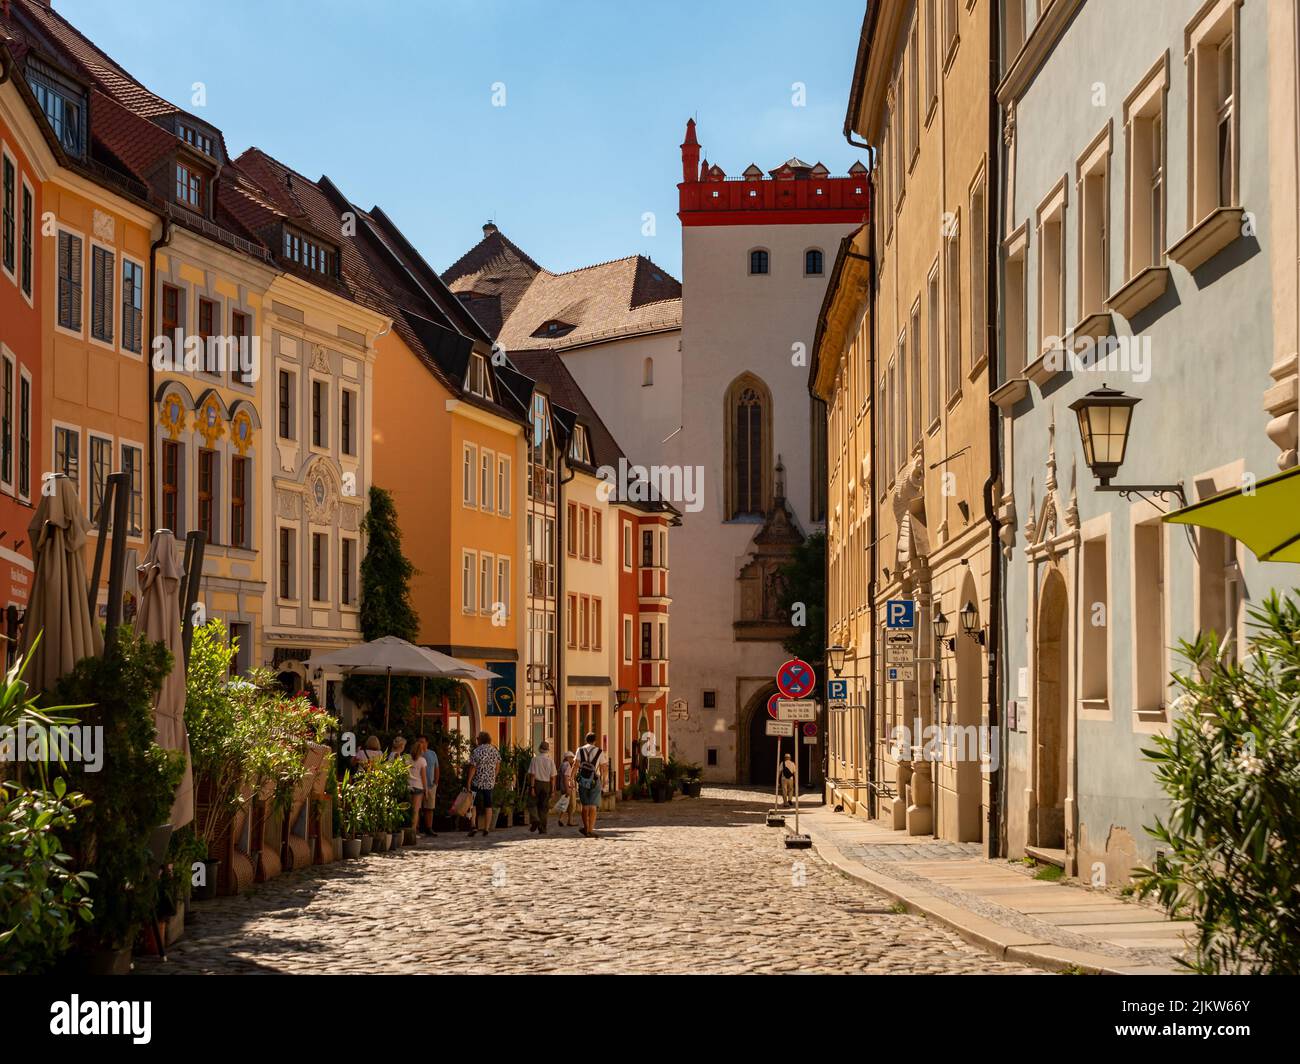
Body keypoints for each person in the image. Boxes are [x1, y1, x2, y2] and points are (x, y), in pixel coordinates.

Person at [464, 731, 501, 838]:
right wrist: (493, 777)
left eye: (477, 738)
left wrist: (468, 781)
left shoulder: (477, 751)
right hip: (489, 783)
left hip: (477, 781)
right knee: (488, 805)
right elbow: (498, 767)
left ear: (480, 739)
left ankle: (473, 826)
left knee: (472, 804)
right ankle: (486, 828)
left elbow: (473, 768)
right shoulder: (495, 751)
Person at [575, 732, 606, 838]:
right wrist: (604, 780)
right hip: (594, 780)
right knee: (593, 806)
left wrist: (571, 778)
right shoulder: (599, 751)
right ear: (595, 741)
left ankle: (585, 827)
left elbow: (575, 765)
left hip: (583, 780)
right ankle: (590, 829)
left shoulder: (580, 750)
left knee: (585, 805)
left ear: (586, 740)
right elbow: (603, 767)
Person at [526, 741, 557, 834]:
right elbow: (553, 777)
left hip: (536, 783)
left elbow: (532, 775)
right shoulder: (550, 761)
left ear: (540, 749)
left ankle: (535, 819)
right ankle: (543, 828)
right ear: (547, 750)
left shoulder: (535, 759)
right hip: (546, 784)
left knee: (531, 803)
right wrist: (553, 789)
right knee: (544, 807)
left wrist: (532, 787)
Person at [417, 735, 439, 835]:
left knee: (429, 808)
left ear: (427, 743)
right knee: (418, 808)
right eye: (419, 742)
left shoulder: (432, 754)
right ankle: (416, 828)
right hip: (419, 784)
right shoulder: (416, 755)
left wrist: (436, 782)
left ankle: (429, 828)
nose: (421, 744)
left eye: (422, 742)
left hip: (430, 785)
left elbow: (437, 768)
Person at [406, 738, 427, 831]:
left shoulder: (407, 759)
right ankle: (413, 830)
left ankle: (407, 829)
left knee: (409, 810)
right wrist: (426, 789)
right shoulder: (422, 760)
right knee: (416, 810)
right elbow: (423, 776)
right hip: (418, 786)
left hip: (408, 785)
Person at [557, 752, 577, 827]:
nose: (573, 759)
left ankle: (561, 819)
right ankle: (569, 821)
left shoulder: (562, 765)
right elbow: (566, 777)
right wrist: (568, 788)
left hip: (563, 787)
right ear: (568, 758)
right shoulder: (567, 765)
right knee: (571, 805)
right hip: (568, 787)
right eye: (572, 757)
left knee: (565, 804)